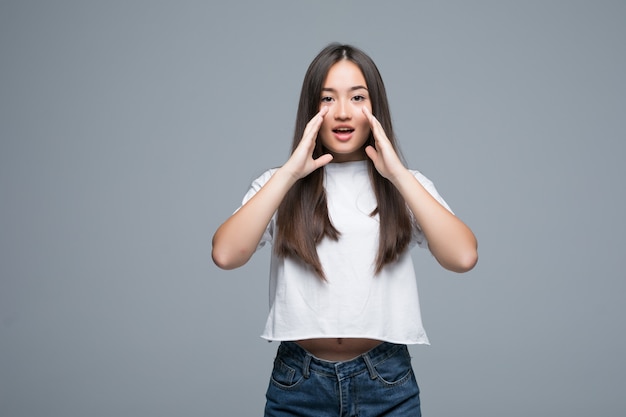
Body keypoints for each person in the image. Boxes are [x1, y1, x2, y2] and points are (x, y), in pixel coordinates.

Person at [212, 43, 478, 416]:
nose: (341, 112)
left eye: (357, 97)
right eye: (327, 98)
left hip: (386, 381)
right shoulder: (277, 185)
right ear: (311, 109)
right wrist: (289, 172)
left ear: (376, 107)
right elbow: (225, 255)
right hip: (298, 382)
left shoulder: (405, 186)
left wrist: (398, 173)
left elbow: (464, 257)